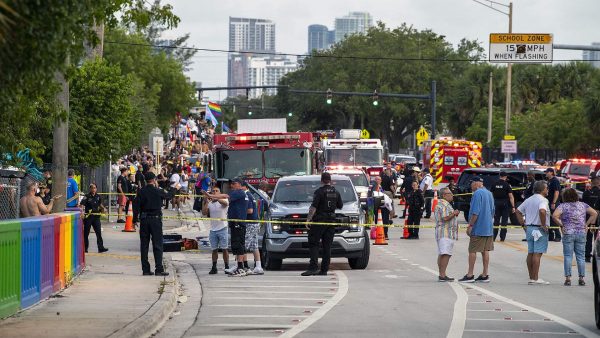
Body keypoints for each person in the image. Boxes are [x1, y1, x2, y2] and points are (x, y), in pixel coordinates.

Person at [553, 188, 598, 286]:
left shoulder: (563, 206)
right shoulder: (583, 205)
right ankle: (581, 278)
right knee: (580, 256)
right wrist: (587, 224)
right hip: (581, 232)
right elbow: (594, 213)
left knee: (568, 256)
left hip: (568, 232)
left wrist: (561, 225)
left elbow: (555, 216)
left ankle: (568, 278)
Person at [204, 178, 249, 277]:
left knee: (238, 245)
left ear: (240, 185)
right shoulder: (240, 194)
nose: (232, 185)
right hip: (235, 223)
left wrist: (211, 195)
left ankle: (241, 268)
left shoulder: (239, 192)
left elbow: (225, 196)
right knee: (237, 245)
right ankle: (239, 266)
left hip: (237, 223)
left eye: (234, 183)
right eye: (231, 184)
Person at [302, 172, 343, 276]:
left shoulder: (319, 192)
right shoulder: (336, 192)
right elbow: (340, 205)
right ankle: (324, 270)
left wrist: (308, 219)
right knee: (327, 246)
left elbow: (313, 207)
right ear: (330, 180)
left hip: (319, 221)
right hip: (331, 222)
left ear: (321, 180)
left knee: (314, 243)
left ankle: (313, 267)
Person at [135, 172, 173, 276]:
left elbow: (136, 206)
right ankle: (159, 269)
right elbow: (169, 196)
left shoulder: (141, 191)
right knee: (157, 245)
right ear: (154, 179)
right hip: (155, 220)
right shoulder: (158, 191)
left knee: (144, 245)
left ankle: (146, 269)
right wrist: (174, 188)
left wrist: (134, 220)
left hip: (144, 220)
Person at [459, 176, 494, 283]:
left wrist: (470, 225)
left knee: (472, 250)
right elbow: (493, 211)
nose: (470, 185)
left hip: (478, 227)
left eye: (472, 183)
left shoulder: (477, 194)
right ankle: (485, 274)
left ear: (477, 183)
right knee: (485, 250)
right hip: (488, 227)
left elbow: (475, 212)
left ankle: (470, 275)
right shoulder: (489, 193)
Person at [515, 181, 551, 285]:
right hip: (539, 229)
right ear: (542, 189)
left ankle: (531, 277)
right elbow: (542, 211)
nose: (547, 190)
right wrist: (544, 225)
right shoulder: (543, 200)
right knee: (537, 254)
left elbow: (518, 211)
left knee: (531, 252)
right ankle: (535, 278)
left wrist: (523, 224)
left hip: (530, 228)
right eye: (546, 188)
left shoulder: (528, 199)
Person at [434, 187, 460, 282]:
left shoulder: (444, 204)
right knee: (445, 253)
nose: (452, 195)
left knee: (442, 253)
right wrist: (454, 213)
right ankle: (442, 275)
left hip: (445, 233)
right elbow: (445, 218)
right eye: (450, 193)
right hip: (445, 233)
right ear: (444, 195)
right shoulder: (443, 205)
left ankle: (442, 274)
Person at [203, 186, 230, 275]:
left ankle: (227, 266)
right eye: (213, 191)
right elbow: (204, 212)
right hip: (213, 229)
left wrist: (215, 197)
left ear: (220, 192)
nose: (214, 192)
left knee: (224, 249)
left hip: (223, 228)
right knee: (214, 249)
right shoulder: (210, 203)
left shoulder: (224, 200)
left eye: (216, 191)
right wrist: (206, 202)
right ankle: (214, 267)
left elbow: (225, 204)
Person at [242, 182, 264, 275]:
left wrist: (239, 210)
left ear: (245, 187)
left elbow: (250, 210)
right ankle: (258, 267)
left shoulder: (247, 195)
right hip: (254, 223)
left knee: (244, 245)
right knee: (254, 246)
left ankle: (240, 266)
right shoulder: (251, 195)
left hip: (250, 223)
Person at [80, 183, 108, 253]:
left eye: (95, 188)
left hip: (96, 217)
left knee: (98, 233)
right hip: (88, 217)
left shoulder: (98, 196)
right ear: (90, 189)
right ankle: (85, 248)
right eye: (92, 188)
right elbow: (82, 205)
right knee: (86, 233)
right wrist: (82, 212)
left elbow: (99, 204)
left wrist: (103, 208)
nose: (93, 189)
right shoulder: (86, 196)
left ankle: (101, 248)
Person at [490, 171, 515, 242]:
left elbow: (491, 195)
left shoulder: (494, 184)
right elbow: (511, 197)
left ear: (499, 176)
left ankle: (493, 237)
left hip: (496, 203)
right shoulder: (507, 185)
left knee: (496, 221)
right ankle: (502, 238)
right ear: (505, 177)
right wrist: (513, 206)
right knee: (504, 221)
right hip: (505, 204)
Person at [583, 174, 600, 262]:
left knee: (588, 238)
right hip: (598, 220)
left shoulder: (586, 193)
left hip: (588, 219)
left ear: (591, 182)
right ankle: (597, 255)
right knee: (598, 238)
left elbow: (583, 207)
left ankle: (587, 256)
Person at [370, 176, 393, 240]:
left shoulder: (382, 192)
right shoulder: (373, 186)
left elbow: (387, 203)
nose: (378, 181)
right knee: (378, 221)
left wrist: (391, 211)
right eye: (377, 179)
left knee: (384, 221)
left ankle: (385, 234)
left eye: (379, 180)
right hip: (377, 207)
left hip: (384, 207)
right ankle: (379, 233)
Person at [545, 168, 562, 242]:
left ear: (551, 172)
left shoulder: (555, 181)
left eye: (547, 172)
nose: (546, 173)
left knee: (554, 219)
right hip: (549, 202)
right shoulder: (549, 181)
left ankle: (558, 236)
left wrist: (554, 203)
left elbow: (557, 192)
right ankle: (551, 236)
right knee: (548, 219)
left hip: (553, 203)